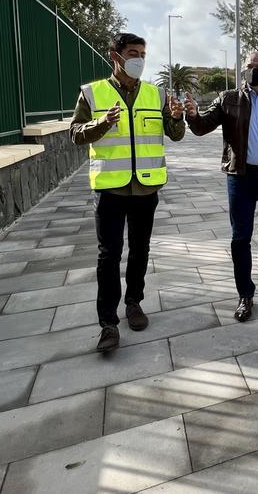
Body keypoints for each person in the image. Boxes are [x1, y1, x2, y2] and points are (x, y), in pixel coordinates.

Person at [70, 32, 185, 353]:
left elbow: (174, 134)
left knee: (140, 249)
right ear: (115, 56)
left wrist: (177, 117)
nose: (139, 60)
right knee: (108, 255)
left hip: (146, 186)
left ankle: (134, 302)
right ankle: (108, 323)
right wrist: (102, 123)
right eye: (133, 53)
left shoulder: (156, 94)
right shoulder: (92, 94)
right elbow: (76, 135)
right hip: (109, 188)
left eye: (143, 54)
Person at [183, 51, 258, 322]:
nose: (253, 70)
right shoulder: (228, 99)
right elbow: (201, 128)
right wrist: (191, 115)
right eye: (249, 66)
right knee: (240, 236)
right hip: (241, 177)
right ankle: (245, 293)